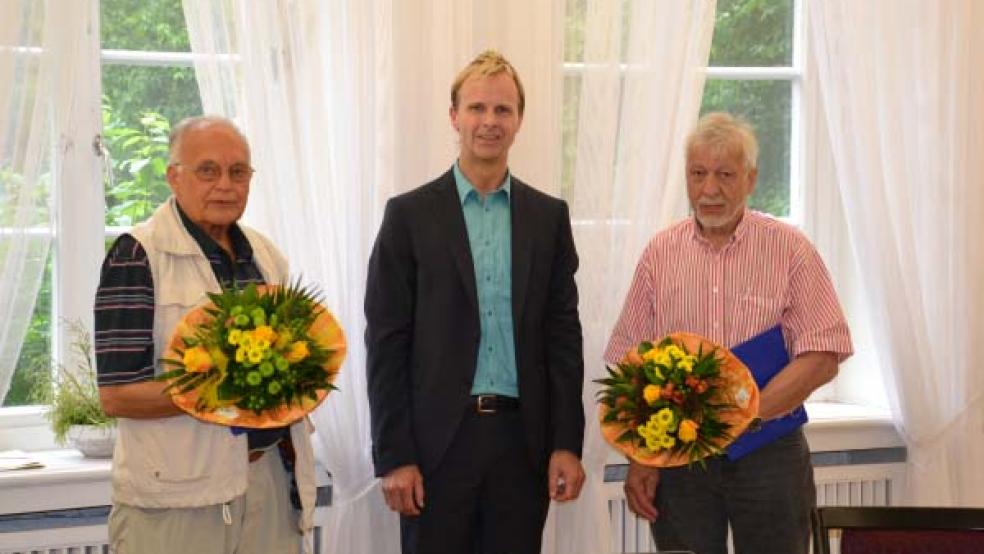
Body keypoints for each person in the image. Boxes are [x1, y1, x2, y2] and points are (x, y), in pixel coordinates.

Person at [365, 50, 586, 554]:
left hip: (522, 443)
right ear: (454, 117)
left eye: (503, 110)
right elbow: (385, 343)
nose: (490, 122)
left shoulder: (548, 218)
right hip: (437, 445)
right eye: (477, 108)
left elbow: (563, 340)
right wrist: (394, 454)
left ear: (519, 121)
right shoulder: (408, 217)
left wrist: (566, 444)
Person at [605, 112, 853, 554]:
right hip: (681, 458)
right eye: (698, 174)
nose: (709, 189)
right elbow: (629, 360)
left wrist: (748, 416)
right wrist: (642, 457)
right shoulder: (660, 253)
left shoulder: (790, 249)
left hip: (769, 450)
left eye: (725, 175)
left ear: (751, 179)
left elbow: (823, 353)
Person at [95, 116, 316, 553]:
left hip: (268, 478)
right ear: (173, 177)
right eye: (208, 170)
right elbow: (117, 396)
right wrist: (221, 387)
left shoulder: (266, 256)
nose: (225, 185)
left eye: (238, 172)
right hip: (177, 500)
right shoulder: (137, 255)